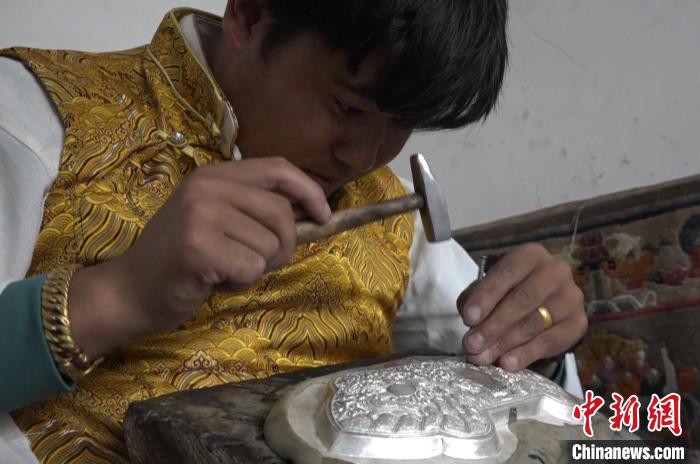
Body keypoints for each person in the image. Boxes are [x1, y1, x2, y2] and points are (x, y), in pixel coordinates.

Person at [0, 0, 587, 461]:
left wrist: (537, 343)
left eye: (402, 124)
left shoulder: (388, 211)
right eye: (348, 107)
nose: (362, 156)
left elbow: (508, 384)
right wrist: (119, 295)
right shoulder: (33, 120)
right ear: (250, 13)